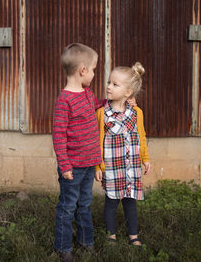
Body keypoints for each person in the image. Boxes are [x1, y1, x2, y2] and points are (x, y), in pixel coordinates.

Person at [52, 43, 105, 261]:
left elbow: (98, 105)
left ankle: (86, 240)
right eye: (93, 69)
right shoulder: (64, 101)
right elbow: (59, 136)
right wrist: (64, 166)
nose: (93, 73)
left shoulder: (87, 94)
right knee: (67, 206)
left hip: (88, 164)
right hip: (72, 167)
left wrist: (114, 101)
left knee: (84, 204)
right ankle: (63, 247)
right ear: (82, 70)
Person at [94, 62, 151, 247]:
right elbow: (97, 141)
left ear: (128, 93)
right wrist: (97, 165)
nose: (108, 87)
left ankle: (133, 235)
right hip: (111, 167)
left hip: (131, 167)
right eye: (109, 82)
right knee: (111, 202)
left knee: (130, 203)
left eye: (114, 84)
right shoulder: (102, 113)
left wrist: (146, 158)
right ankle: (111, 235)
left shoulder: (137, 113)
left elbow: (141, 136)